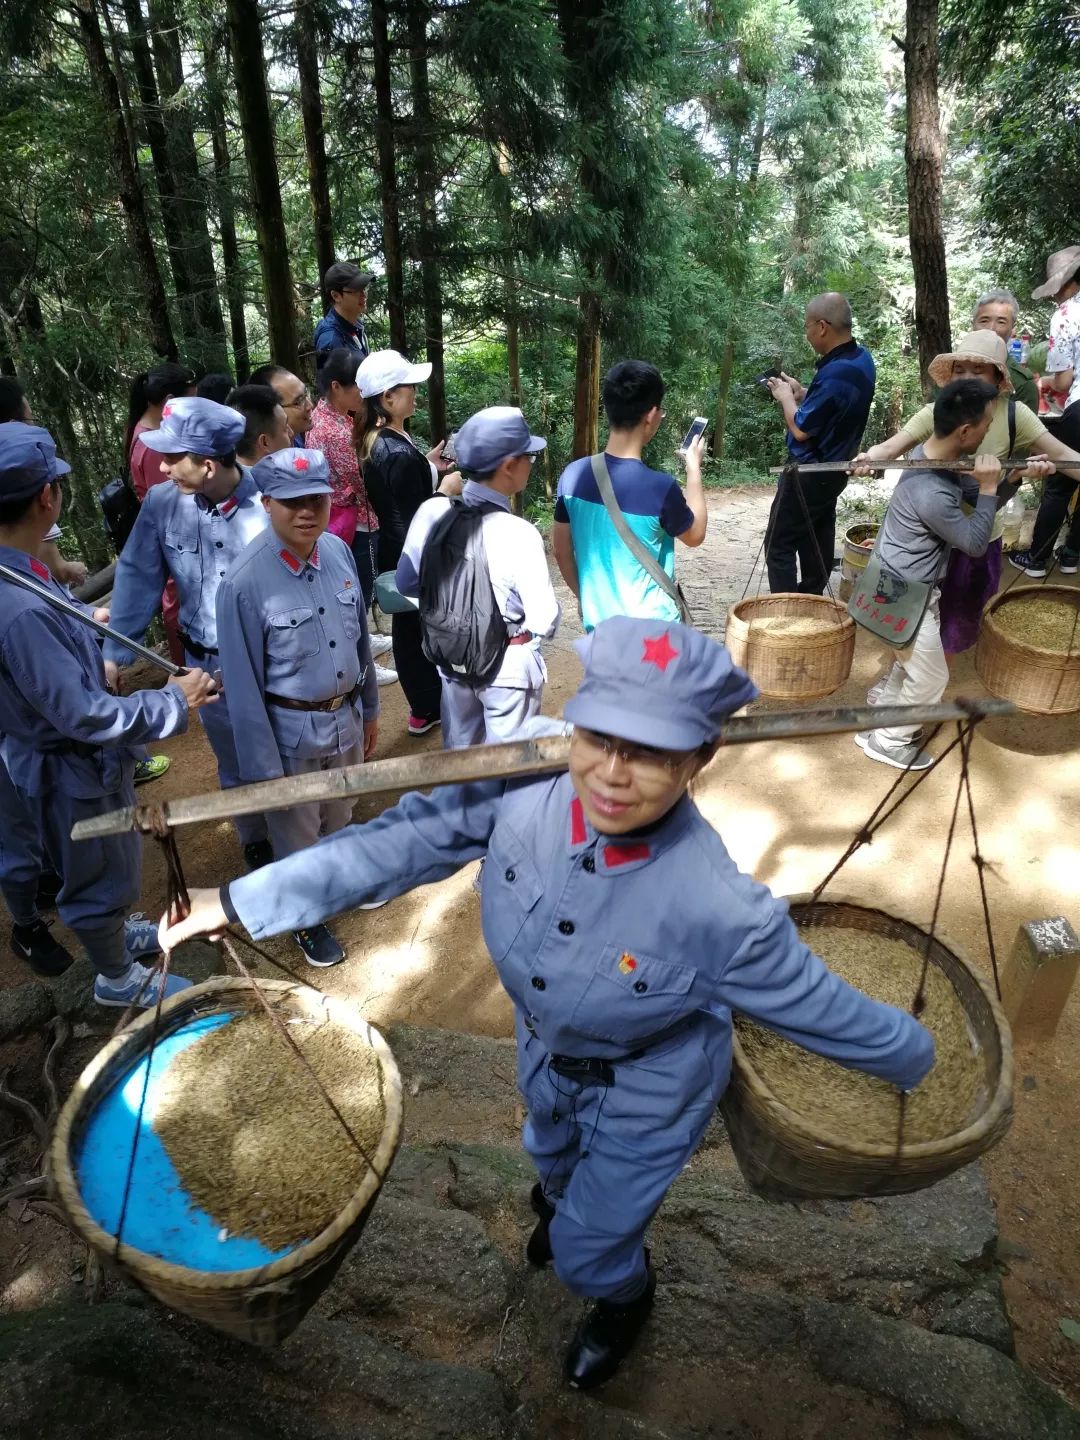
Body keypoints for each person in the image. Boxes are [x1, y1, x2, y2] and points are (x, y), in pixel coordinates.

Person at [159, 613, 934, 1391]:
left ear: (703, 756)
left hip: (650, 1083)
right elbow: (390, 846)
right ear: (573, 723)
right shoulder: (521, 787)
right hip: (546, 1050)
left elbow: (825, 1010)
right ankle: (564, 1207)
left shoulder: (721, 912)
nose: (611, 773)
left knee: (592, 1248)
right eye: (598, 737)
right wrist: (236, 898)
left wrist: (920, 1059)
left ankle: (623, 1295)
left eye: (652, 753)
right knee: (550, 1158)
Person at [0, 422, 215, 1004]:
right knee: (94, 872)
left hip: (73, 761)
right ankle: (116, 978)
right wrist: (176, 700)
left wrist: (80, 626)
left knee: (111, 860)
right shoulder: (18, 607)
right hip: (70, 767)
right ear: (48, 496)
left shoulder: (19, 572)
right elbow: (83, 715)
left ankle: (117, 936)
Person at [215, 448, 381, 969]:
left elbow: (361, 646)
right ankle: (307, 919)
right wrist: (266, 775)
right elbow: (242, 691)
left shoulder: (336, 550)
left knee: (341, 813)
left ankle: (342, 881)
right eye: (291, 502)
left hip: (346, 719)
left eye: (317, 499)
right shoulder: (242, 583)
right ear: (266, 503)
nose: (307, 511)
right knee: (297, 831)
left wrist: (370, 710)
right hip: (291, 734)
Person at [103, 397, 273, 868]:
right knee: (234, 758)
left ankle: (298, 833)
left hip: (272, 660)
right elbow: (138, 575)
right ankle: (254, 835)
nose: (162, 466)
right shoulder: (161, 502)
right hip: (208, 663)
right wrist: (115, 652)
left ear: (211, 464)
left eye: (174, 457)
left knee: (284, 748)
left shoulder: (273, 504)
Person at [853, 331, 1080, 639]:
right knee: (915, 620)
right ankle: (917, 673)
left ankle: (927, 672)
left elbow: (1064, 456)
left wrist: (1016, 476)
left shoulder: (1016, 415)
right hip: (931, 540)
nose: (967, 377)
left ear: (999, 377)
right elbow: (892, 448)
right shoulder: (942, 412)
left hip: (982, 532)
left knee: (957, 624)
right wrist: (869, 457)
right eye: (960, 369)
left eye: (979, 370)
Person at [858, 379, 1003, 771]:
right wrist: (989, 489)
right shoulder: (931, 490)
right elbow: (974, 543)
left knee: (910, 664)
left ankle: (880, 724)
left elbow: (965, 498)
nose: (989, 430)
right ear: (965, 432)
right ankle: (889, 741)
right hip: (904, 595)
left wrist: (1007, 480)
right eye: (987, 425)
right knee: (931, 678)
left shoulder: (928, 457)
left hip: (897, 587)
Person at [397, 407, 560, 747]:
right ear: (509, 466)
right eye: (528, 455)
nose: (531, 462)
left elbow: (406, 583)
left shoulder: (433, 510)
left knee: (462, 765)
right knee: (508, 769)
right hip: (507, 669)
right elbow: (545, 620)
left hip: (452, 659)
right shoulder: (519, 532)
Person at [552, 361, 707, 631]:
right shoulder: (660, 487)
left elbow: (561, 551)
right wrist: (693, 468)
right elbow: (695, 535)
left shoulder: (572, 477)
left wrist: (590, 601)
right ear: (651, 415)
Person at [355, 349, 455, 735]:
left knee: (409, 627)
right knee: (417, 629)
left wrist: (427, 465)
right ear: (386, 398)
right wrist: (446, 489)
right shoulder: (394, 450)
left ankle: (425, 705)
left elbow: (399, 495)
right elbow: (418, 515)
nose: (415, 392)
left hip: (397, 547)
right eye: (407, 386)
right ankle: (428, 705)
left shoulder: (380, 440)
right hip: (413, 550)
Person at [763, 294, 876, 594]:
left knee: (779, 544)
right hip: (833, 472)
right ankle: (810, 601)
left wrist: (786, 398)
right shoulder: (860, 359)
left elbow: (800, 429)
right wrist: (804, 394)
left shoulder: (836, 371)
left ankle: (788, 615)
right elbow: (834, 403)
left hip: (807, 474)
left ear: (823, 327)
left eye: (808, 326)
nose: (807, 333)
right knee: (815, 536)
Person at [307, 349, 397, 687]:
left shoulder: (337, 415)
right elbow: (362, 477)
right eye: (358, 388)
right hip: (353, 520)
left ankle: (367, 640)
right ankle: (363, 664)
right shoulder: (332, 430)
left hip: (355, 517)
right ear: (336, 386)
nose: (364, 396)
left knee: (359, 587)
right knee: (354, 588)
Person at [1012, 245, 1080, 575]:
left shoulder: (1065, 315)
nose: (1054, 297)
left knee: (1060, 482)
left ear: (1067, 283)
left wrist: (1042, 384)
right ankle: (1072, 555)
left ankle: (1037, 558)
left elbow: (1065, 382)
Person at [124, 363, 196, 668]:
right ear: (169, 401)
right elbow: (170, 501)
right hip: (174, 538)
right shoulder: (153, 447)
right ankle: (187, 665)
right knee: (176, 601)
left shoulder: (145, 431)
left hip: (171, 537)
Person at [970, 289, 1039, 409]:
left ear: (1012, 329)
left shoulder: (1021, 383)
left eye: (1001, 322)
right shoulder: (952, 369)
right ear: (973, 325)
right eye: (984, 320)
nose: (991, 329)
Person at [312, 262, 373, 360]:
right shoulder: (331, 341)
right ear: (336, 296)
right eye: (357, 290)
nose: (364, 295)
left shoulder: (354, 324)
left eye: (364, 288)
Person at [225, 383, 293, 469]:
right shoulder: (271, 481)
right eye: (285, 428)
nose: (291, 433)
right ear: (265, 442)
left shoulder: (224, 477)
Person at [249, 364, 315, 442]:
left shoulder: (295, 438)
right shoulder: (269, 452)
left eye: (306, 393)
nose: (310, 405)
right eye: (298, 401)